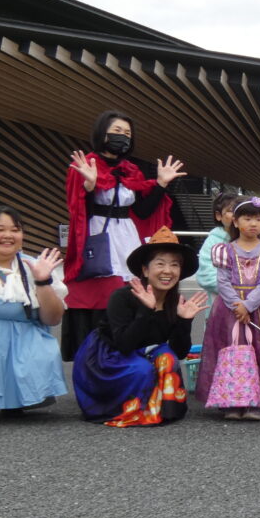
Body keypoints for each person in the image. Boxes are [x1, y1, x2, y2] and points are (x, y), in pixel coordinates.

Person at [60, 110, 184, 359]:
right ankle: (95, 360)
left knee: (131, 291)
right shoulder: (85, 165)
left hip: (126, 236)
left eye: (127, 133)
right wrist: (89, 186)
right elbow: (77, 210)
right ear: (102, 132)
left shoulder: (131, 170)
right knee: (98, 294)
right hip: (98, 235)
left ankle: (130, 353)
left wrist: (160, 184)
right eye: (117, 131)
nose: (123, 137)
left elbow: (143, 210)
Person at [72, 228, 207, 427]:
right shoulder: (122, 297)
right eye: (160, 263)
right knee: (142, 369)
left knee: (167, 357)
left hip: (145, 352)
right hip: (108, 356)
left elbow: (179, 352)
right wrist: (146, 310)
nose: (167, 271)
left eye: (174, 265)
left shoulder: (175, 301)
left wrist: (184, 321)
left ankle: (163, 409)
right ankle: (132, 410)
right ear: (145, 270)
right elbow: (124, 345)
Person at [0, 207, 67, 423]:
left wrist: (42, 281)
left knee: (43, 351)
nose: (8, 235)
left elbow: (52, 319)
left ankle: (14, 400)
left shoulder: (34, 265)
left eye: (15, 230)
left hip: (22, 333)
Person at [196, 196, 260, 420]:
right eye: (247, 218)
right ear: (235, 222)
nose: (253, 224)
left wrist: (248, 305)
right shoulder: (224, 250)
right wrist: (236, 303)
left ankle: (257, 402)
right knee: (229, 348)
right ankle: (230, 401)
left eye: (258, 219)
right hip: (229, 307)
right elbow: (222, 280)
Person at [197, 192, 238, 303]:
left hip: (252, 305)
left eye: (239, 209)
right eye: (230, 211)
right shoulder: (213, 241)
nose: (236, 214)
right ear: (218, 216)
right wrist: (239, 290)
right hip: (220, 306)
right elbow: (205, 276)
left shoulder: (253, 240)